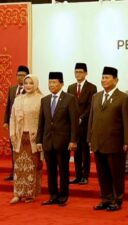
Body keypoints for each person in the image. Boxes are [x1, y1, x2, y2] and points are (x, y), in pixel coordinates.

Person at [88, 66, 128, 212]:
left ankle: (117, 199)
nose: (104, 80)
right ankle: (105, 199)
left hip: (116, 143)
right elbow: (91, 119)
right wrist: (90, 137)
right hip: (98, 142)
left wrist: (127, 141)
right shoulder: (96, 96)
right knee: (102, 174)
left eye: (107, 77)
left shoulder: (124, 98)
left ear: (116, 80)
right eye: (102, 77)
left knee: (116, 173)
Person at [36, 72, 79, 207]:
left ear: (61, 84)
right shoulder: (45, 100)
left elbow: (74, 122)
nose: (51, 85)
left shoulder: (69, 99)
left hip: (63, 141)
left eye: (54, 82)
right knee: (51, 171)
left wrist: (73, 140)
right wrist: (39, 140)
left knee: (63, 170)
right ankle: (52, 195)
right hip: (48, 141)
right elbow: (41, 122)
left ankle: (63, 196)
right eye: (50, 82)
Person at [9, 74, 43, 204]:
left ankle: (30, 193)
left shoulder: (41, 99)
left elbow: (42, 120)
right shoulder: (18, 99)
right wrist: (12, 133)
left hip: (33, 138)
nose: (28, 86)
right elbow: (12, 118)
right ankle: (17, 193)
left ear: (36, 84)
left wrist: (39, 137)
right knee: (18, 166)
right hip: (19, 138)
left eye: (31, 83)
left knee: (32, 166)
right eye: (26, 83)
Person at [67, 63, 97, 185]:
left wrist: (82, 118)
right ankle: (78, 175)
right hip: (74, 125)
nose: (78, 74)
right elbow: (69, 105)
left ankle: (85, 176)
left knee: (85, 152)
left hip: (85, 124)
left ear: (85, 73)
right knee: (76, 152)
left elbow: (91, 106)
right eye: (76, 72)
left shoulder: (92, 87)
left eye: (80, 72)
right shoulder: (71, 87)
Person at [3, 65, 29, 181]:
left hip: (24, 125)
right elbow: (8, 106)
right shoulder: (12, 89)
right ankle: (14, 171)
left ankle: (23, 172)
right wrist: (5, 121)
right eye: (19, 75)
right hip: (13, 125)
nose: (20, 77)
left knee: (23, 149)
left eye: (23, 75)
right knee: (13, 148)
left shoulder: (29, 89)